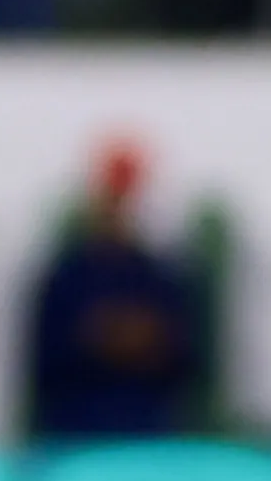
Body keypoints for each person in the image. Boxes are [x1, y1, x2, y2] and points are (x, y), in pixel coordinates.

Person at [22, 136, 206, 438]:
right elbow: (46, 364)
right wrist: (99, 339)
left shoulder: (162, 282)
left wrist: (144, 342)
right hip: (75, 428)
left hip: (151, 427)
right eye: (113, 197)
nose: (120, 209)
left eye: (128, 198)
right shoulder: (65, 279)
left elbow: (187, 361)